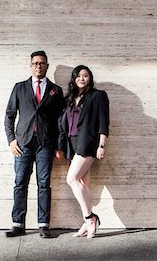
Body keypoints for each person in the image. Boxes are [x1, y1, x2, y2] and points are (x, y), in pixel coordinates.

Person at [4, 51, 66, 238]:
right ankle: (18, 224)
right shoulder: (19, 88)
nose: (38, 66)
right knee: (20, 182)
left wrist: (59, 146)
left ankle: (43, 224)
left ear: (47, 66)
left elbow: (60, 120)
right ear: (31, 66)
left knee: (44, 184)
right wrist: (11, 140)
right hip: (23, 143)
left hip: (45, 144)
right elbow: (9, 115)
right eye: (35, 63)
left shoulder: (56, 90)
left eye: (42, 63)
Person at [56, 65, 110, 238]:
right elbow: (63, 124)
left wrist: (101, 145)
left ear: (90, 78)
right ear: (73, 79)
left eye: (85, 75)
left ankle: (90, 218)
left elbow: (103, 121)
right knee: (83, 184)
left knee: (71, 179)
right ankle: (88, 222)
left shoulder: (98, 96)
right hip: (72, 145)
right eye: (78, 76)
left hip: (87, 143)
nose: (81, 78)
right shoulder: (69, 99)